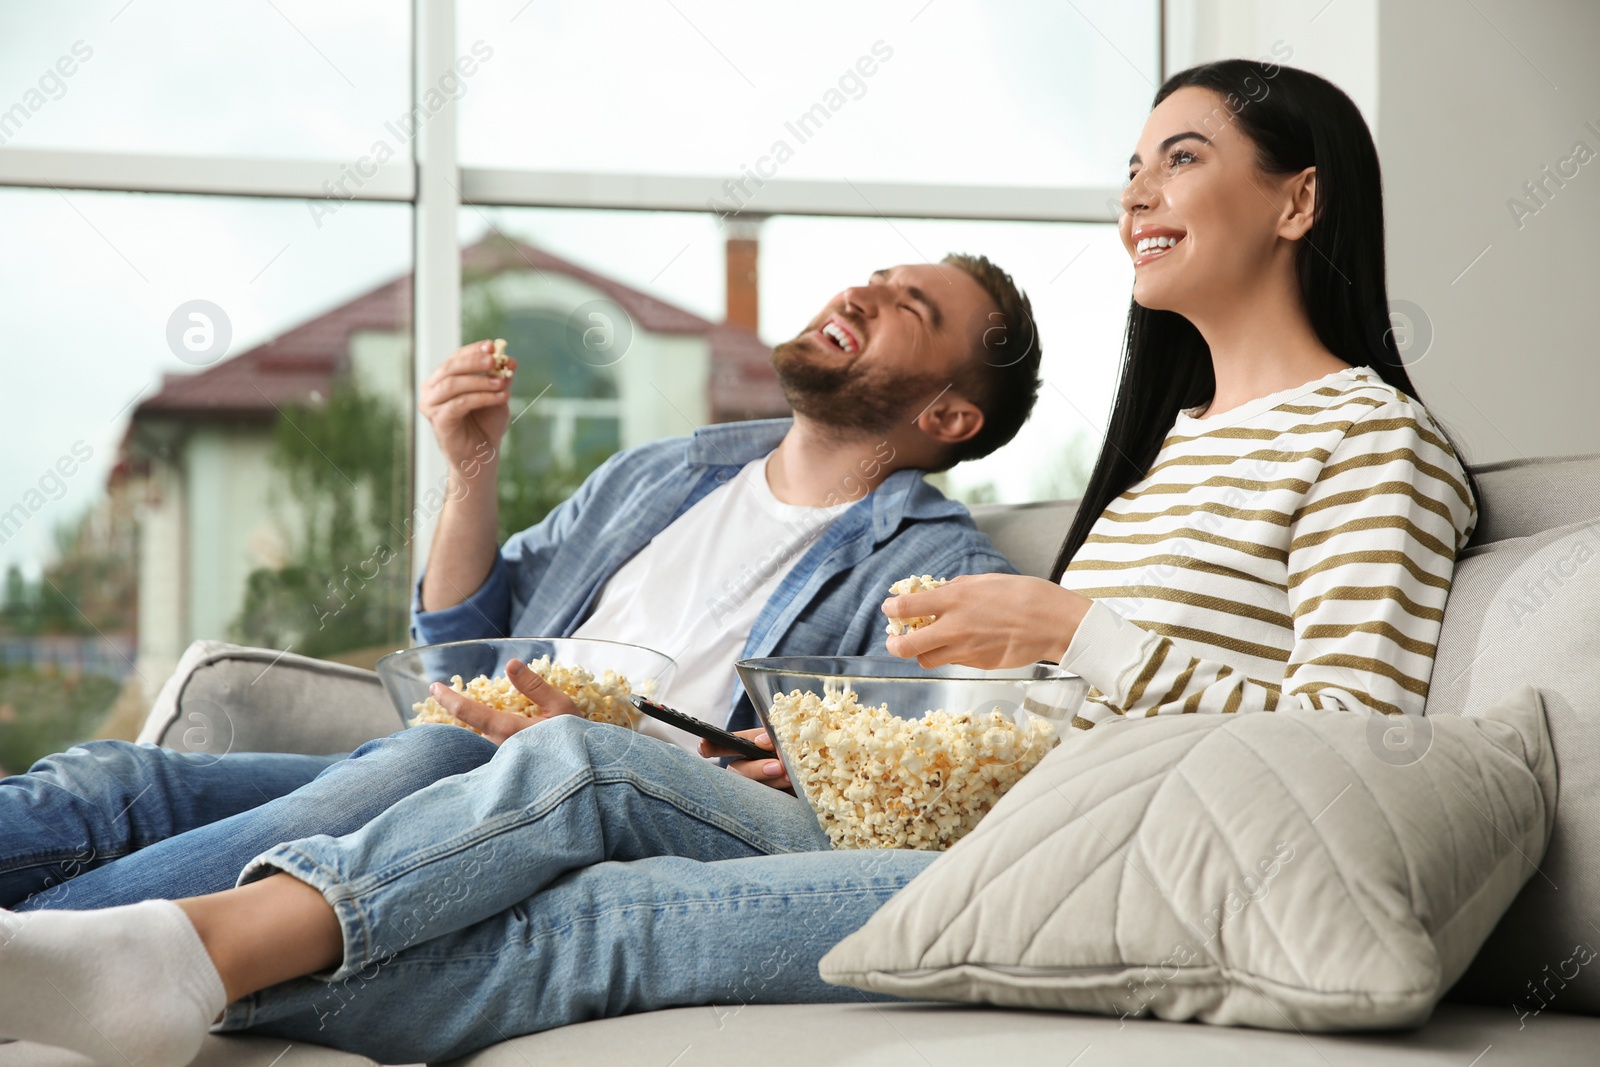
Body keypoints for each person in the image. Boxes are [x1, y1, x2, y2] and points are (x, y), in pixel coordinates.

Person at [0, 61, 1479, 1067]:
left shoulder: (1376, 443)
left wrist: (1069, 627)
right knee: (487, 886)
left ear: (1297, 201)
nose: (1138, 191)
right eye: (1133, 162)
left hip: (1084, 877)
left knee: (579, 769)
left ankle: (111, 960)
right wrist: (921, 729)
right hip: (992, 833)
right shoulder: (1173, 453)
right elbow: (1078, 725)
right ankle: (110, 969)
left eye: (1184, 158)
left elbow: (1353, 749)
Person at [0, 251, 1037, 920]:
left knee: (437, 751)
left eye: (910, 306)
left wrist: (746, 755)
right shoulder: (664, 473)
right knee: (108, 783)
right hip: (437, 747)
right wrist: (471, 471)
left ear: (950, 417)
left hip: (564, 806)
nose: (857, 290)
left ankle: (43, 958)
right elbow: (463, 626)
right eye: (874, 275)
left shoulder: (936, 570)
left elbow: (889, 770)